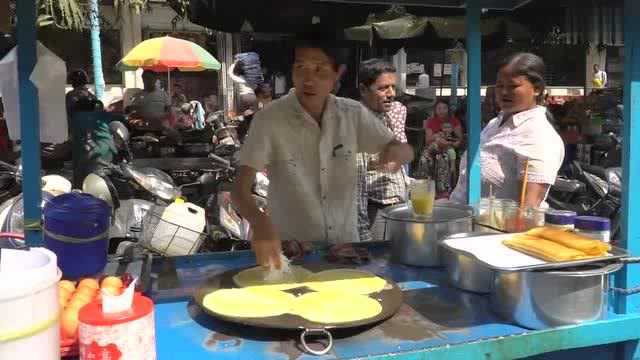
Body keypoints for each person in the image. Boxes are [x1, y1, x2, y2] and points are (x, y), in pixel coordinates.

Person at [231, 35, 414, 268]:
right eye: (301, 68)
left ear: (338, 73)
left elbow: (397, 147)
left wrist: (398, 153)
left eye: (319, 69)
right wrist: (260, 223)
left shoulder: (352, 113)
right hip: (290, 255)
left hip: (345, 253)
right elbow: (239, 190)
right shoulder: (269, 119)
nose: (308, 79)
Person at [450, 53, 565, 208]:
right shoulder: (494, 124)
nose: (504, 92)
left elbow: (528, 210)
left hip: (498, 230)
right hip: (463, 222)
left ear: (536, 89)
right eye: (500, 85)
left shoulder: (539, 136)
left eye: (513, 86)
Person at [355, 58, 408, 242]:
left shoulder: (384, 118)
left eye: (393, 87)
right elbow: (357, 186)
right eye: (383, 88)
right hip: (376, 215)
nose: (391, 93)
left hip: (396, 210)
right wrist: (363, 236)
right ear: (363, 90)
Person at [419, 100, 463, 196]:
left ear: (448, 109)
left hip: (448, 148)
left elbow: (459, 139)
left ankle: (443, 190)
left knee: (442, 157)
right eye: (439, 108)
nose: (441, 111)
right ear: (435, 110)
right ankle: (425, 186)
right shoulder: (431, 122)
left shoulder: (454, 121)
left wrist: (452, 143)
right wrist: (436, 137)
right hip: (433, 147)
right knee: (424, 158)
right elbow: (427, 140)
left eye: (444, 108)